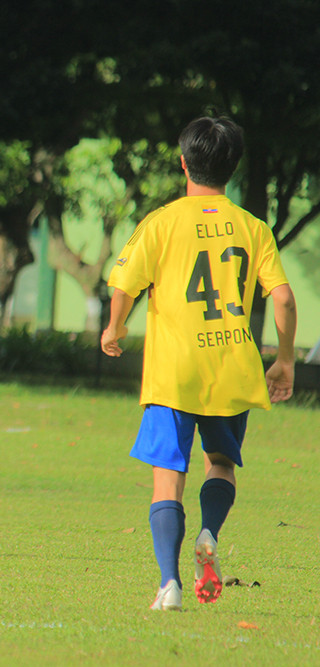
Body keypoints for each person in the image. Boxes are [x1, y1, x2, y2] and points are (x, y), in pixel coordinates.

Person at [101, 116, 297, 611]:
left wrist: (114, 327)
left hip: (174, 372)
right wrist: (285, 360)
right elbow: (285, 300)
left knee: (168, 475)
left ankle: (169, 584)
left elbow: (124, 287)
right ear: (232, 167)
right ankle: (209, 533)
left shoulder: (162, 221)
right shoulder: (254, 228)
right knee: (222, 464)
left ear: (184, 162)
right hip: (233, 366)